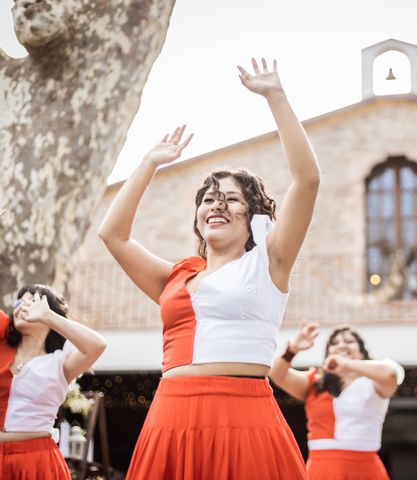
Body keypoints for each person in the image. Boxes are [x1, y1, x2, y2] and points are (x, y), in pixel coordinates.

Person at [98, 58, 319, 479]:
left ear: (253, 212)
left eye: (232, 199)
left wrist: (275, 96)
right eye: (208, 199)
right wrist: (148, 164)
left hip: (244, 414)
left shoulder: (269, 261)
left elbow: (307, 179)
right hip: (171, 414)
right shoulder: (176, 276)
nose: (217, 205)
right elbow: (114, 235)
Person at [0, 280, 107, 479]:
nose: (21, 307)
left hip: (36, 461)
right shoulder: (2, 348)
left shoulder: (59, 362)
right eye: (18, 303)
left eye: (31, 301)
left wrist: (48, 317)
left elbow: (97, 346)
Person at [269, 322, 404, 479]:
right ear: (328, 354)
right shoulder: (315, 383)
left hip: (364, 468)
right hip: (322, 469)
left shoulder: (374, 382)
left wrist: (345, 364)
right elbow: (277, 374)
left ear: (362, 352)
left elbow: (391, 374)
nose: (341, 345)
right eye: (335, 343)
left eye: (349, 341)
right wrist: (292, 349)